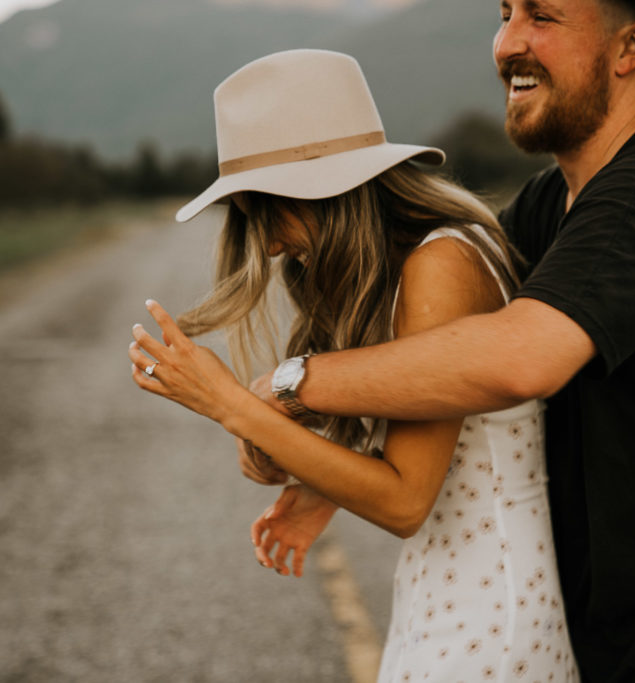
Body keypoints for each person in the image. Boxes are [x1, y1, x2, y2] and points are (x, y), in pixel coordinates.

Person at [134, 1, 635, 680]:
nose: (509, 40)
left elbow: (520, 358)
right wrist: (332, 473)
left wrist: (282, 384)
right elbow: (447, 362)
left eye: (542, 15)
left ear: (632, 47)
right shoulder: (555, 205)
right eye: (505, 12)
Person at [130, 49, 579, 681]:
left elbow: (404, 500)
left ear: (325, 190)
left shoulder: (442, 264)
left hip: (488, 617)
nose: (268, 241)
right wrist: (294, 463)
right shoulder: (401, 267)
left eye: (266, 208)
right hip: (444, 599)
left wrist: (231, 403)